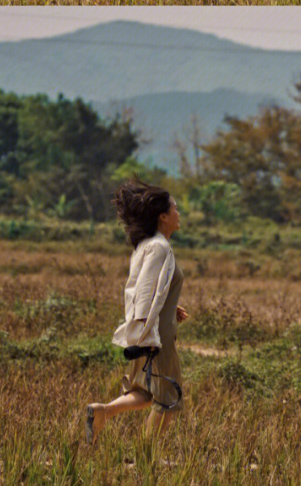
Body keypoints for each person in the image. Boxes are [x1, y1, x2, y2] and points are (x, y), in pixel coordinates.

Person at [85, 180, 187, 444]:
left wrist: (168, 306)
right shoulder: (159, 247)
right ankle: (147, 454)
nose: (178, 214)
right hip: (156, 336)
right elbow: (143, 289)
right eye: (174, 209)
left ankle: (102, 412)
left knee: (144, 392)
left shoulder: (149, 245)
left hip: (150, 331)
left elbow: (152, 287)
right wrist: (145, 329)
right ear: (163, 216)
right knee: (169, 399)